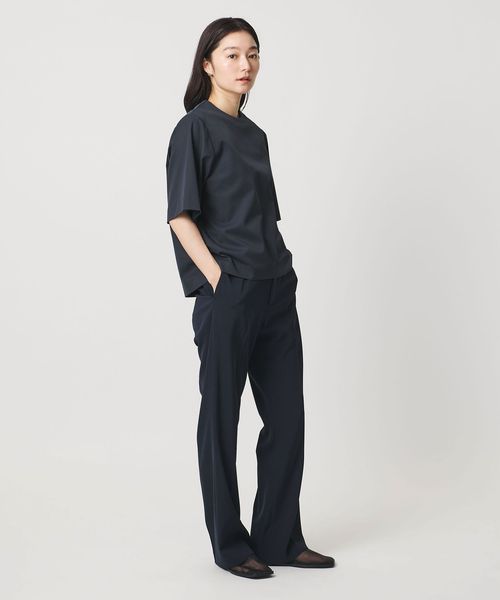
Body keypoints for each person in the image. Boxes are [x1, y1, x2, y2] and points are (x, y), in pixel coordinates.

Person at [165, 17, 335, 579]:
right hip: (230, 293)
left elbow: (263, 215)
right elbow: (180, 217)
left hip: (275, 288)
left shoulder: (256, 135)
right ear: (207, 64)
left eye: (253, 54)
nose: (246, 65)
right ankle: (231, 546)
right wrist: (219, 278)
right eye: (233, 54)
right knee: (221, 419)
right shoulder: (193, 130)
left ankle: (280, 538)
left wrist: (281, 272)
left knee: (287, 418)